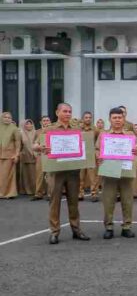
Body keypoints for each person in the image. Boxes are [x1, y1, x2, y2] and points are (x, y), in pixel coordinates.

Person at [34, 103, 90, 244]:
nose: (68, 114)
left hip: (73, 171)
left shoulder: (77, 129)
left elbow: (85, 146)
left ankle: (76, 230)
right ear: (57, 112)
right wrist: (40, 147)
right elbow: (35, 145)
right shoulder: (49, 129)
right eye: (65, 111)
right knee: (54, 202)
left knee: (74, 202)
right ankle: (54, 232)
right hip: (56, 171)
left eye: (70, 111)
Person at [96, 108, 137, 239]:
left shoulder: (131, 135)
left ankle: (127, 227)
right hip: (109, 169)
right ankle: (108, 227)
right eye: (114, 118)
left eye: (120, 118)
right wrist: (99, 156)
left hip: (126, 169)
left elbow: (136, 150)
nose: (117, 120)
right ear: (110, 119)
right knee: (108, 201)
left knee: (127, 201)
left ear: (123, 119)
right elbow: (97, 150)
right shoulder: (103, 135)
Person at [78, 111, 100, 202]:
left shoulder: (95, 130)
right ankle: (80, 193)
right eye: (86, 117)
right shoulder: (78, 129)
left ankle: (94, 194)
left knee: (93, 177)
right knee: (80, 176)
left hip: (91, 156)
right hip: (80, 156)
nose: (88, 119)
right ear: (83, 119)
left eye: (90, 117)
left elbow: (98, 142)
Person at [0, 111, 20, 199]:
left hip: (9, 155)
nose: (7, 119)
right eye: (5, 117)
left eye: (9, 118)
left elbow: (18, 142)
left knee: (6, 176)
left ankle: (8, 193)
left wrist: (16, 154)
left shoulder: (14, 128)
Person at [32, 116, 51, 201]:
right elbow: (34, 144)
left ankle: (50, 194)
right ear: (41, 122)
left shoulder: (53, 130)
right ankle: (38, 193)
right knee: (39, 175)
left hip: (51, 156)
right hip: (40, 155)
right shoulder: (38, 132)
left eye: (47, 120)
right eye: (44, 120)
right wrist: (38, 148)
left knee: (50, 175)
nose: (46, 122)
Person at [17, 119, 37, 196]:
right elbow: (19, 145)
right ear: (23, 125)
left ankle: (36, 189)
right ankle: (26, 190)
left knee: (34, 174)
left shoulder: (35, 133)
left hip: (34, 156)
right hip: (25, 156)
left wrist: (35, 152)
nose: (29, 125)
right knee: (25, 175)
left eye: (30, 124)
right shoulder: (21, 134)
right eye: (27, 124)